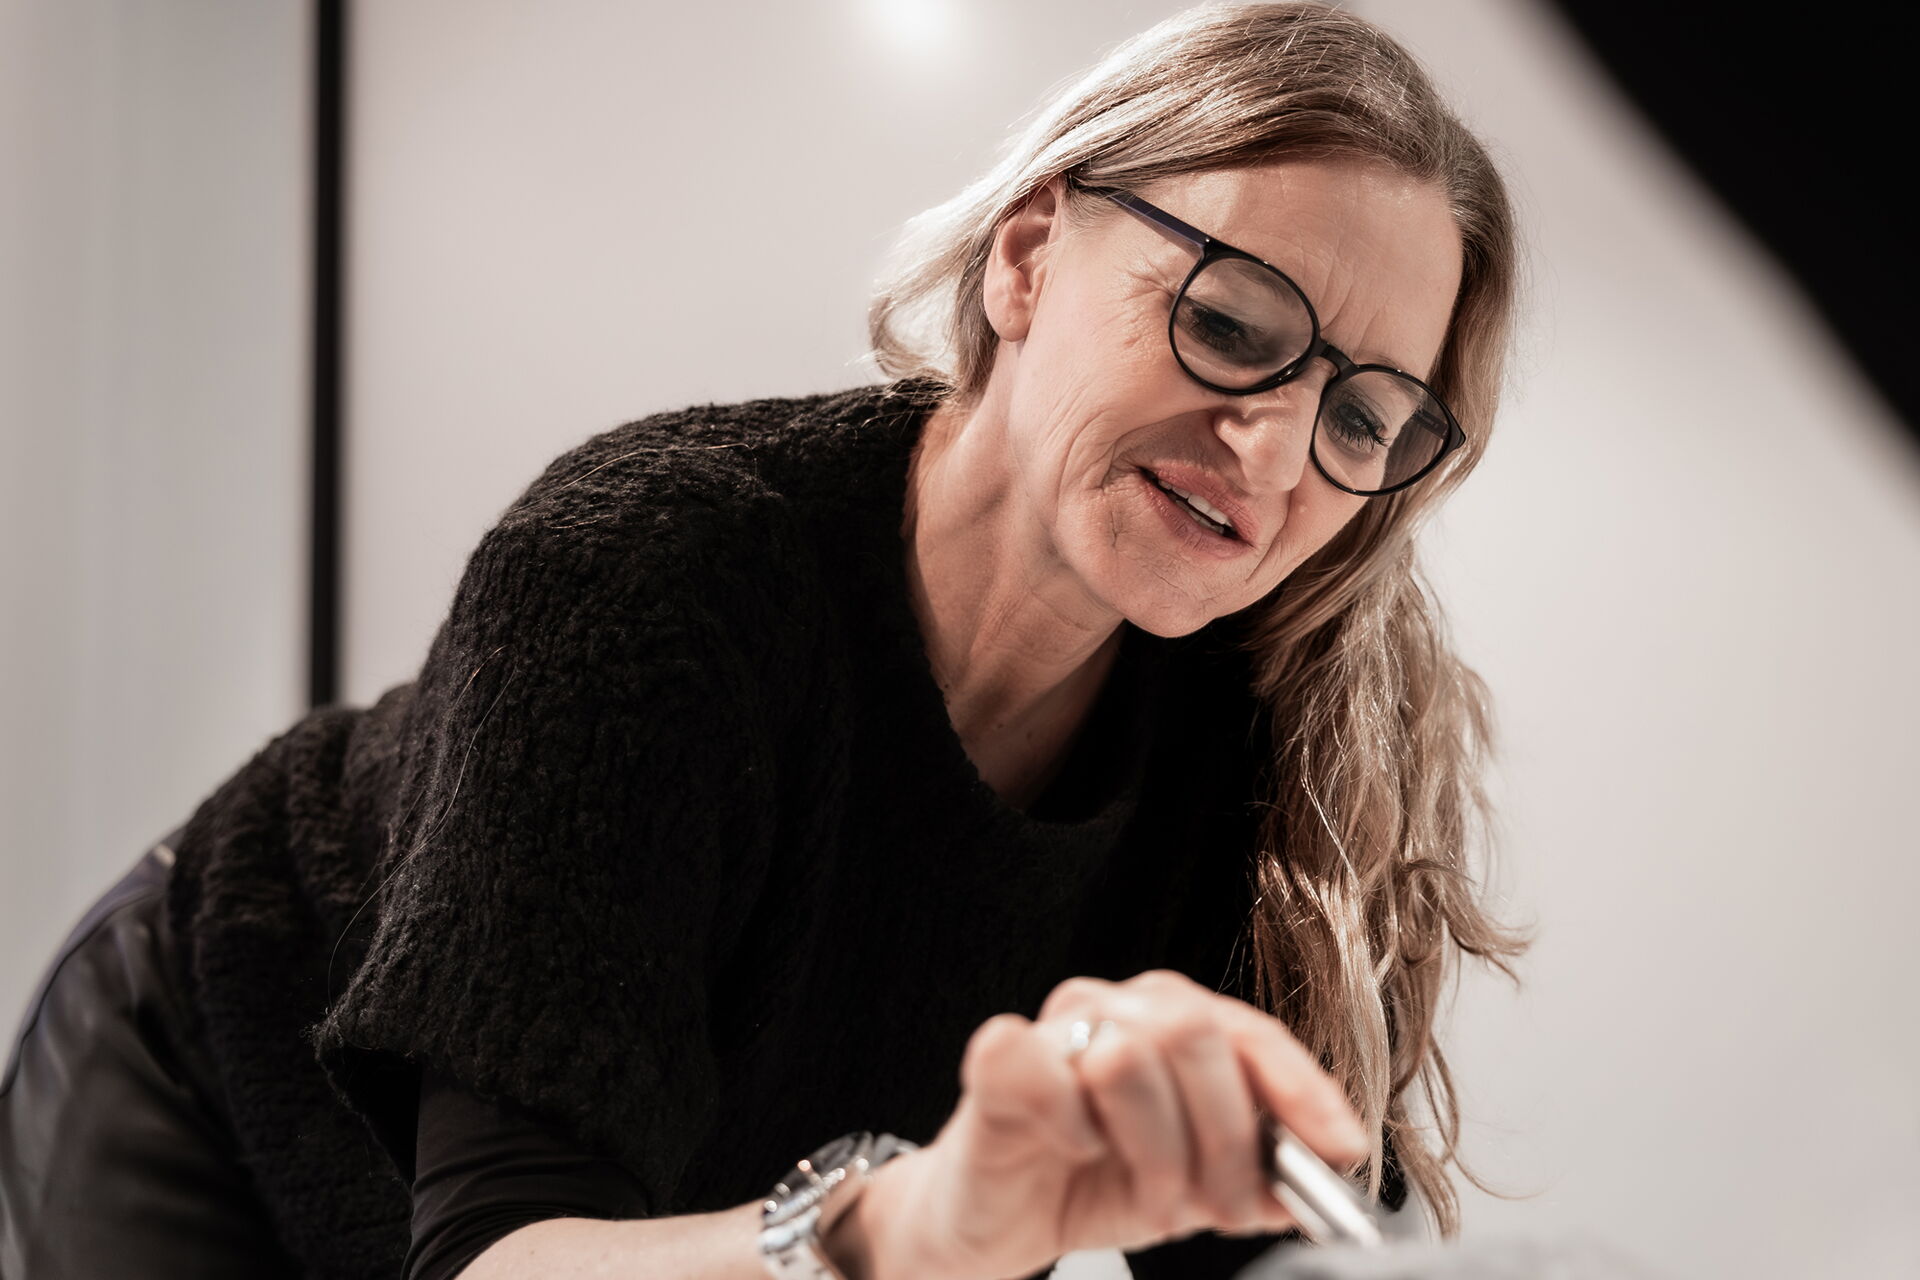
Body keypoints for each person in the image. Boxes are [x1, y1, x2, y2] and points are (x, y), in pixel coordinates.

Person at [0, 3, 1532, 1278]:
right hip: (225, 1102)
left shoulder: (1265, 738)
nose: (1273, 450)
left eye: (1362, 418)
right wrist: (902, 1230)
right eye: (1233, 323)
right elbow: (501, 1254)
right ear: (1027, 258)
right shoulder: (649, 568)